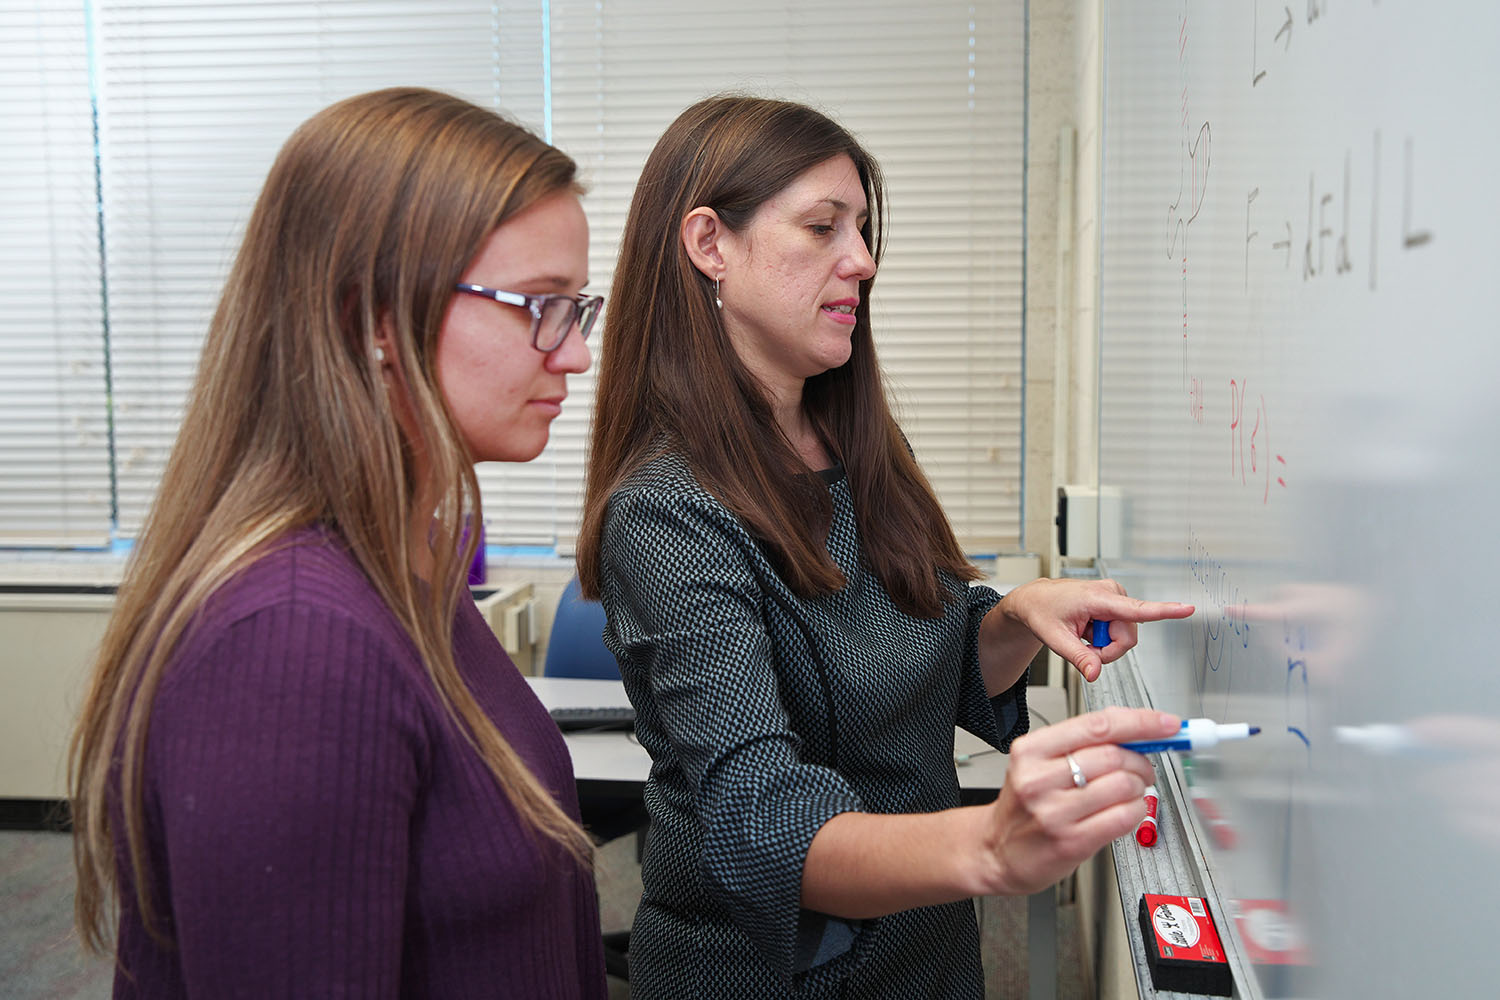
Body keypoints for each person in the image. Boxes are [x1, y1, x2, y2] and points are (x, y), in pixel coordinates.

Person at [575, 95, 1195, 998]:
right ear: (710, 244)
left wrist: (1016, 617)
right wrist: (987, 844)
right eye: (822, 227)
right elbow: (759, 818)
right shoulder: (668, 511)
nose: (862, 261)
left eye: (861, 230)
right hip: (773, 973)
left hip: (925, 950)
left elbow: (924, 662)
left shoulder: (848, 441)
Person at [68, 88, 607, 999]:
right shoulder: (291, 642)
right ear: (376, 319)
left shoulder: (408, 573)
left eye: (576, 309)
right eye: (538, 306)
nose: (575, 355)